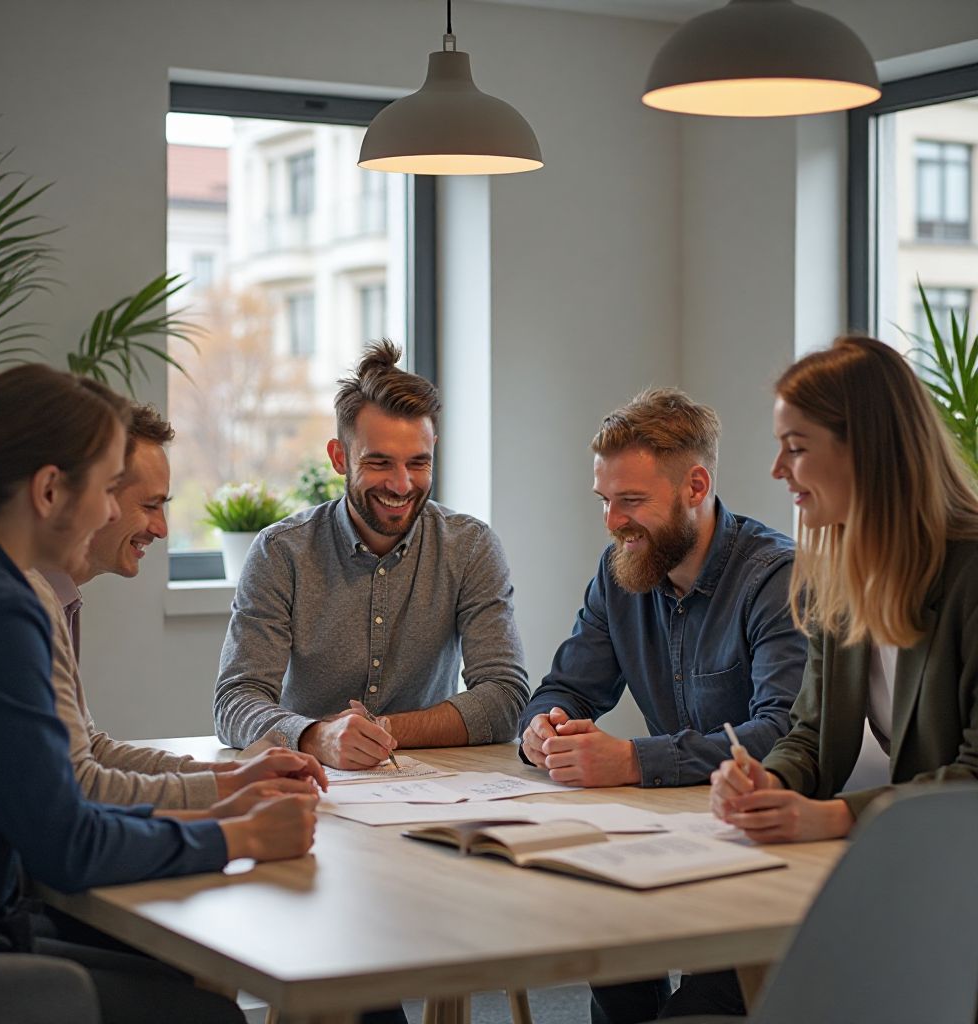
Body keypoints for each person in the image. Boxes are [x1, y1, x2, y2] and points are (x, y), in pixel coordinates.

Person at [0, 365, 321, 1024]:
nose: (105, 512)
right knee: (209, 1015)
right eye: (103, 489)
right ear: (47, 491)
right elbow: (67, 846)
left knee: (184, 972)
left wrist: (224, 807)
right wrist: (239, 837)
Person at [517, 387, 806, 1022]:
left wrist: (630, 760)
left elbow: (783, 733)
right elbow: (566, 686)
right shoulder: (622, 569)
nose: (613, 521)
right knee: (610, 962)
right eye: (606, 501)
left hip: (760, 857)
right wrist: (543, 727)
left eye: (632, 501)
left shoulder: (774, 577)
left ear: (695, 486)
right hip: (668, 836)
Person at [711, 335, 978, 843]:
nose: (777, 470)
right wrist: (769, 780)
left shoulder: (970, 573)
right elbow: (809, 731)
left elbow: (973, 777)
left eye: (796, 448)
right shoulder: (839, 578)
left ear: (868, 450)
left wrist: (838, 817)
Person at [215, 340, 529, 769]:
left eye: (418, 463)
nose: (401, 485)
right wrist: (316, 737)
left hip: (436, 783)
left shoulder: (470, 547)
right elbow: (235, 700)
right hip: (309, 781)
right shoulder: (280, 552)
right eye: (380, 463)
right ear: (339, 457)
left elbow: (505, 697)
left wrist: (382, 730)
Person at [31, 403, 304, 815]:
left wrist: (226, 779)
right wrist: (233, 829)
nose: (162, 529)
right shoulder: (25, 599)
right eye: (148, 505)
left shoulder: (57, 596)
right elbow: (80, 786)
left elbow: (90, 751)